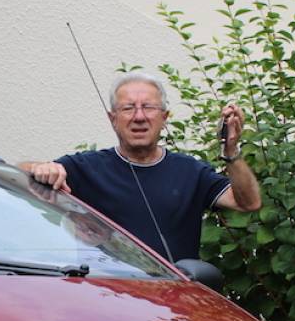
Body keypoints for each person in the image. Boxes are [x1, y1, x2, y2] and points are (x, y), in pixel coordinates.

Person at [20, 71, 261, 262]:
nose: (139, 116)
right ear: (112, 118)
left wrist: (231, 151)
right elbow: (17, 173)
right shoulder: (86, 167)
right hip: (106, 295)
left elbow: (247, 202)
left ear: (164, 118)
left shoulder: (190, 171)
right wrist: (40, 167)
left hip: (174, 306)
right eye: (128, 108)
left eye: (148, 107)